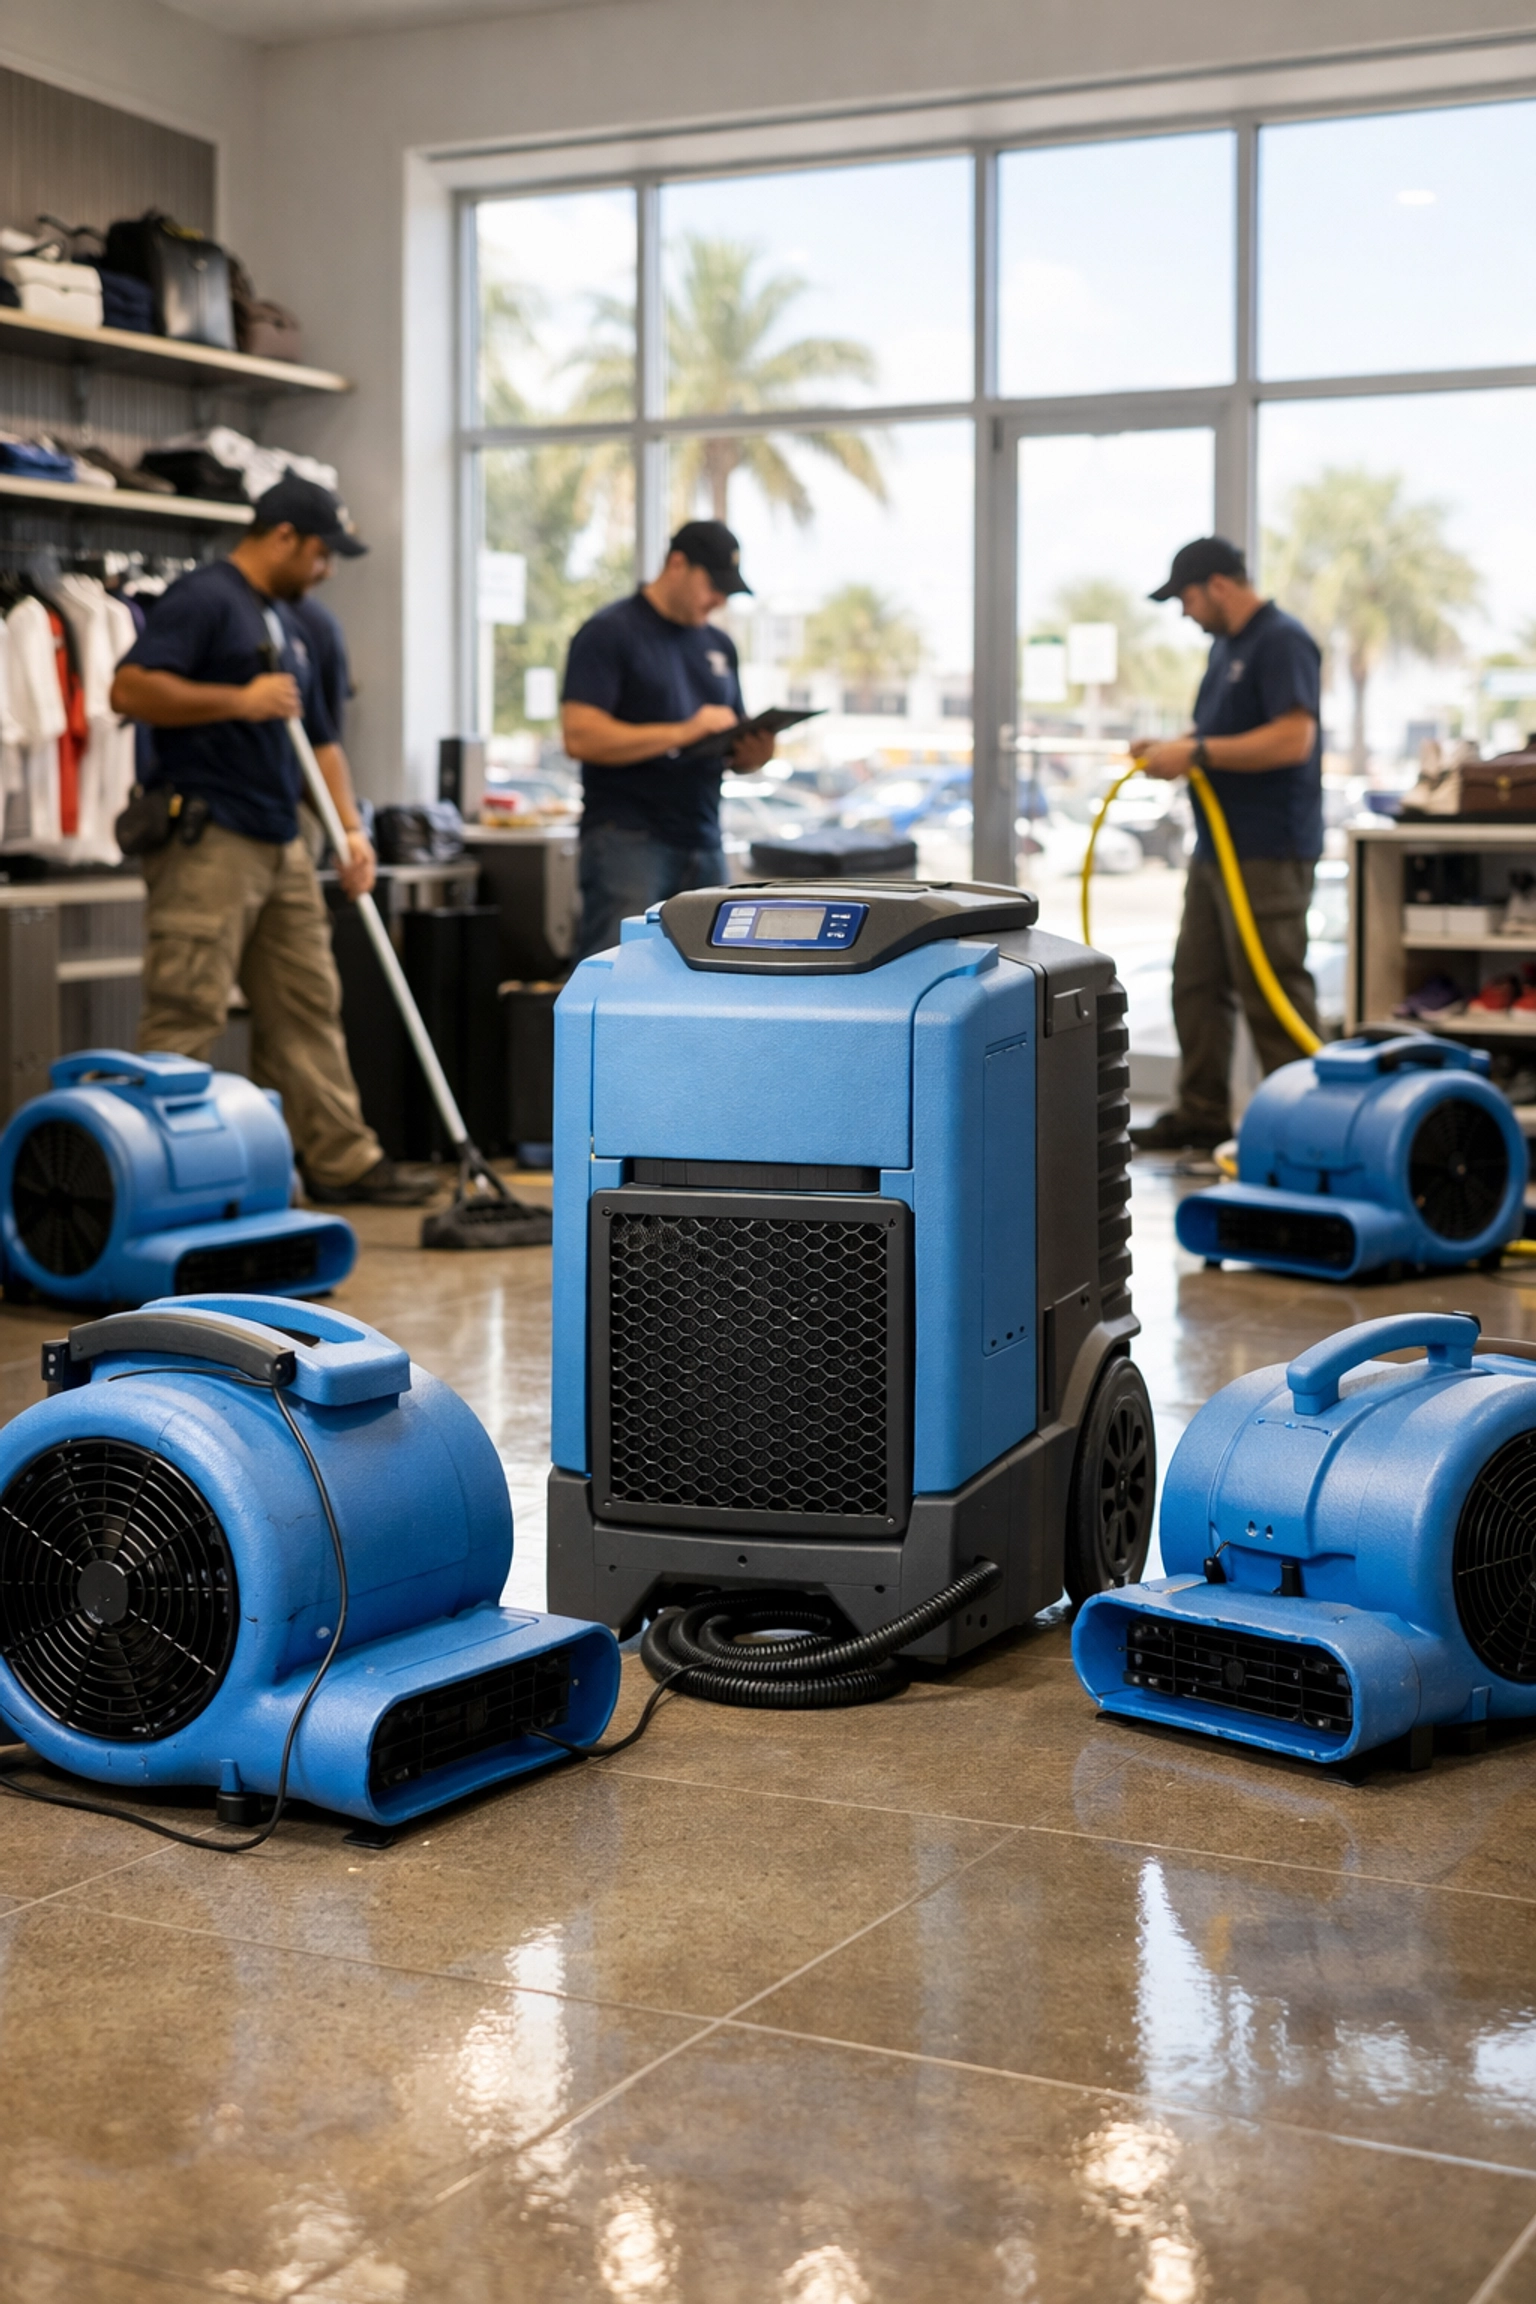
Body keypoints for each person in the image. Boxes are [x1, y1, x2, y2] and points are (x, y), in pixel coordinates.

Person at [109, 475, 434, 1206]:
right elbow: (129, 691)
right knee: (186, 1005)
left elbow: (321, 742)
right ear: (282, 535)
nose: (326, 570)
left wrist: (350, 831)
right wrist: (238, 700)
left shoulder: (305, 624)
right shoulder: (202, 599)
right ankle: (157, 1178)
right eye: (321, 553)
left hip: (285, 837)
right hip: (209, 837)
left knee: (306, 1003)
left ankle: (342, 1161)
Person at [1128, 536, 1323, 1155]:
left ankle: (1304, 1133)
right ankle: (1203, 1114)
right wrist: (1172, 747)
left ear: (1217, 584)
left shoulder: (1281, 641)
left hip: (1268, 850)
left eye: (1186, 598)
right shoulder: (1227, 650)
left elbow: (1293, 739)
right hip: (1217, 851)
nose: (1185, 613)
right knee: (1196, 981)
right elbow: (1214, 732)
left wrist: (1199, 753)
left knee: (1272, 990)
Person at [561, 520, 776, 958]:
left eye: (726, 591)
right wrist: (684, 731)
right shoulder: (610, 632)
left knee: (712, 982)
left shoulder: (719, 645)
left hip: (704, 838)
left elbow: (726, 738)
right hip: (628, 839)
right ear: (677, 564)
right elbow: (580, 736)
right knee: (618, 977)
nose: (718, 600)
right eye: (712, 585)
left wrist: (753, 755)